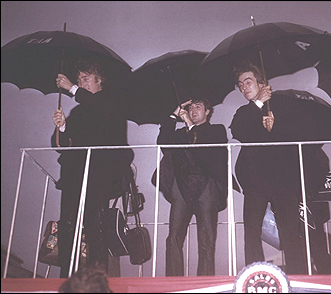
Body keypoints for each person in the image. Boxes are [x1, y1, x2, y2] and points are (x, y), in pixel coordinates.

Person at [230, 61, 331, 274]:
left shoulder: (285, 103)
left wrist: (277, 123)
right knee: (252, 230)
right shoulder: (244, 112)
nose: (244, 87)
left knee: (290, 231)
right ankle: (255, 273)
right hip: (255, 181)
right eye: (240, 84)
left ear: (262, 83)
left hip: (284, 181)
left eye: (248, 81)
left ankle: (297, 275)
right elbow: (240, 131)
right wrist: (259, 106)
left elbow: (303, 133)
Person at [52, 58, 134, 278]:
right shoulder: (78, 112)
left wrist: (72, 88)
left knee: (95, 226)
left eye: (86, 78)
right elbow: (60, 147)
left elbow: (103, 110)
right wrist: (62, 127)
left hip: (99, 175)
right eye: (78, 79)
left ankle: (97, 279)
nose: (81, 82)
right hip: (73, 176)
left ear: (100, 81)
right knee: (68, 226)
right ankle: (67, 277)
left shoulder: (112, 100)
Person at [153, 98, 235, 276]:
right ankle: (173, 284)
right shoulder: (179, 134)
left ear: (207, 111)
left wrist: (190, 125)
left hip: (207, 187)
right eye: (190, 108)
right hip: (181, 188)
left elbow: (204, 146)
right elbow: (163, 142)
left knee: (206, 239)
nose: (193, 110)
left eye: (198, 107)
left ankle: (204, 284)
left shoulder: (216, 130)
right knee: (173, 237)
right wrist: (174, 114)